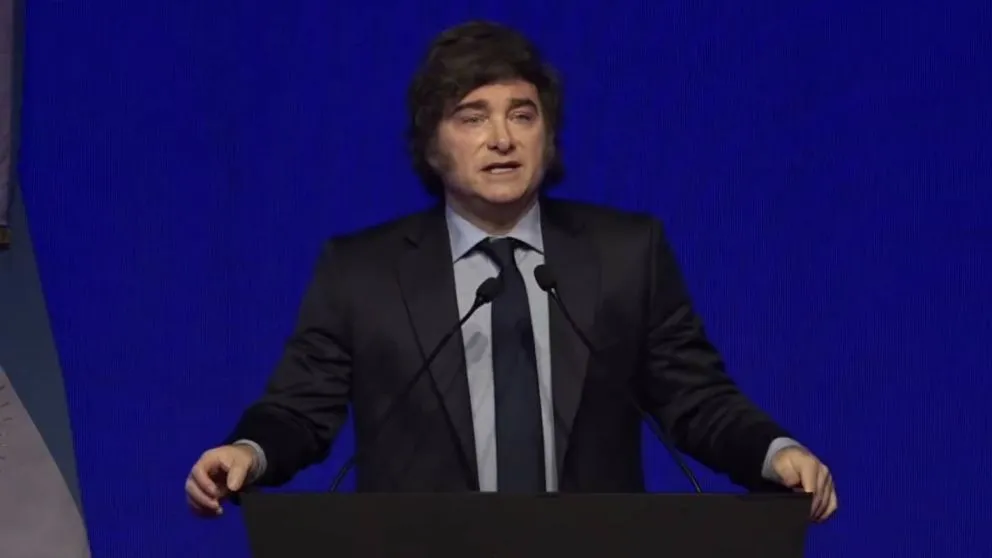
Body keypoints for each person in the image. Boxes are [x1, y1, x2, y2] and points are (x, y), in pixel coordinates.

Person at [185, 20, 838, 522]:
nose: (502, 138)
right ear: (432, 145)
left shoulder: (625, 254)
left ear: (547, 137)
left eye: (522, 115)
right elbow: (302, 409)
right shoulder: (361, 272)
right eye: (472, 117)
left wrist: (774, 452)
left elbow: (695, 398)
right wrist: (247, 453)